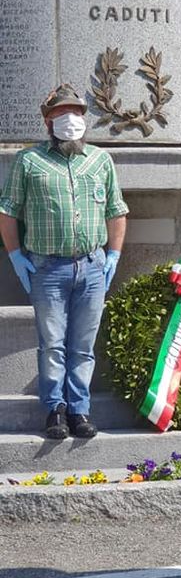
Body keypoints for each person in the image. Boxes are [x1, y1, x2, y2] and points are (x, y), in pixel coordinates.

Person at [0, 84, 128, 440]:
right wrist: (15, 256)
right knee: (53, 343)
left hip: (91, 266)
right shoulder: (30, 161)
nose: (70, 119)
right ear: (47, 121)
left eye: (76, 112)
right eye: (61, 113)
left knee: (83, 345)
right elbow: (7, 211)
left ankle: (80, 409)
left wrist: (113, 254)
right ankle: (54, 409)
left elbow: (116, 212)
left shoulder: (100, 160)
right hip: (47, 268)